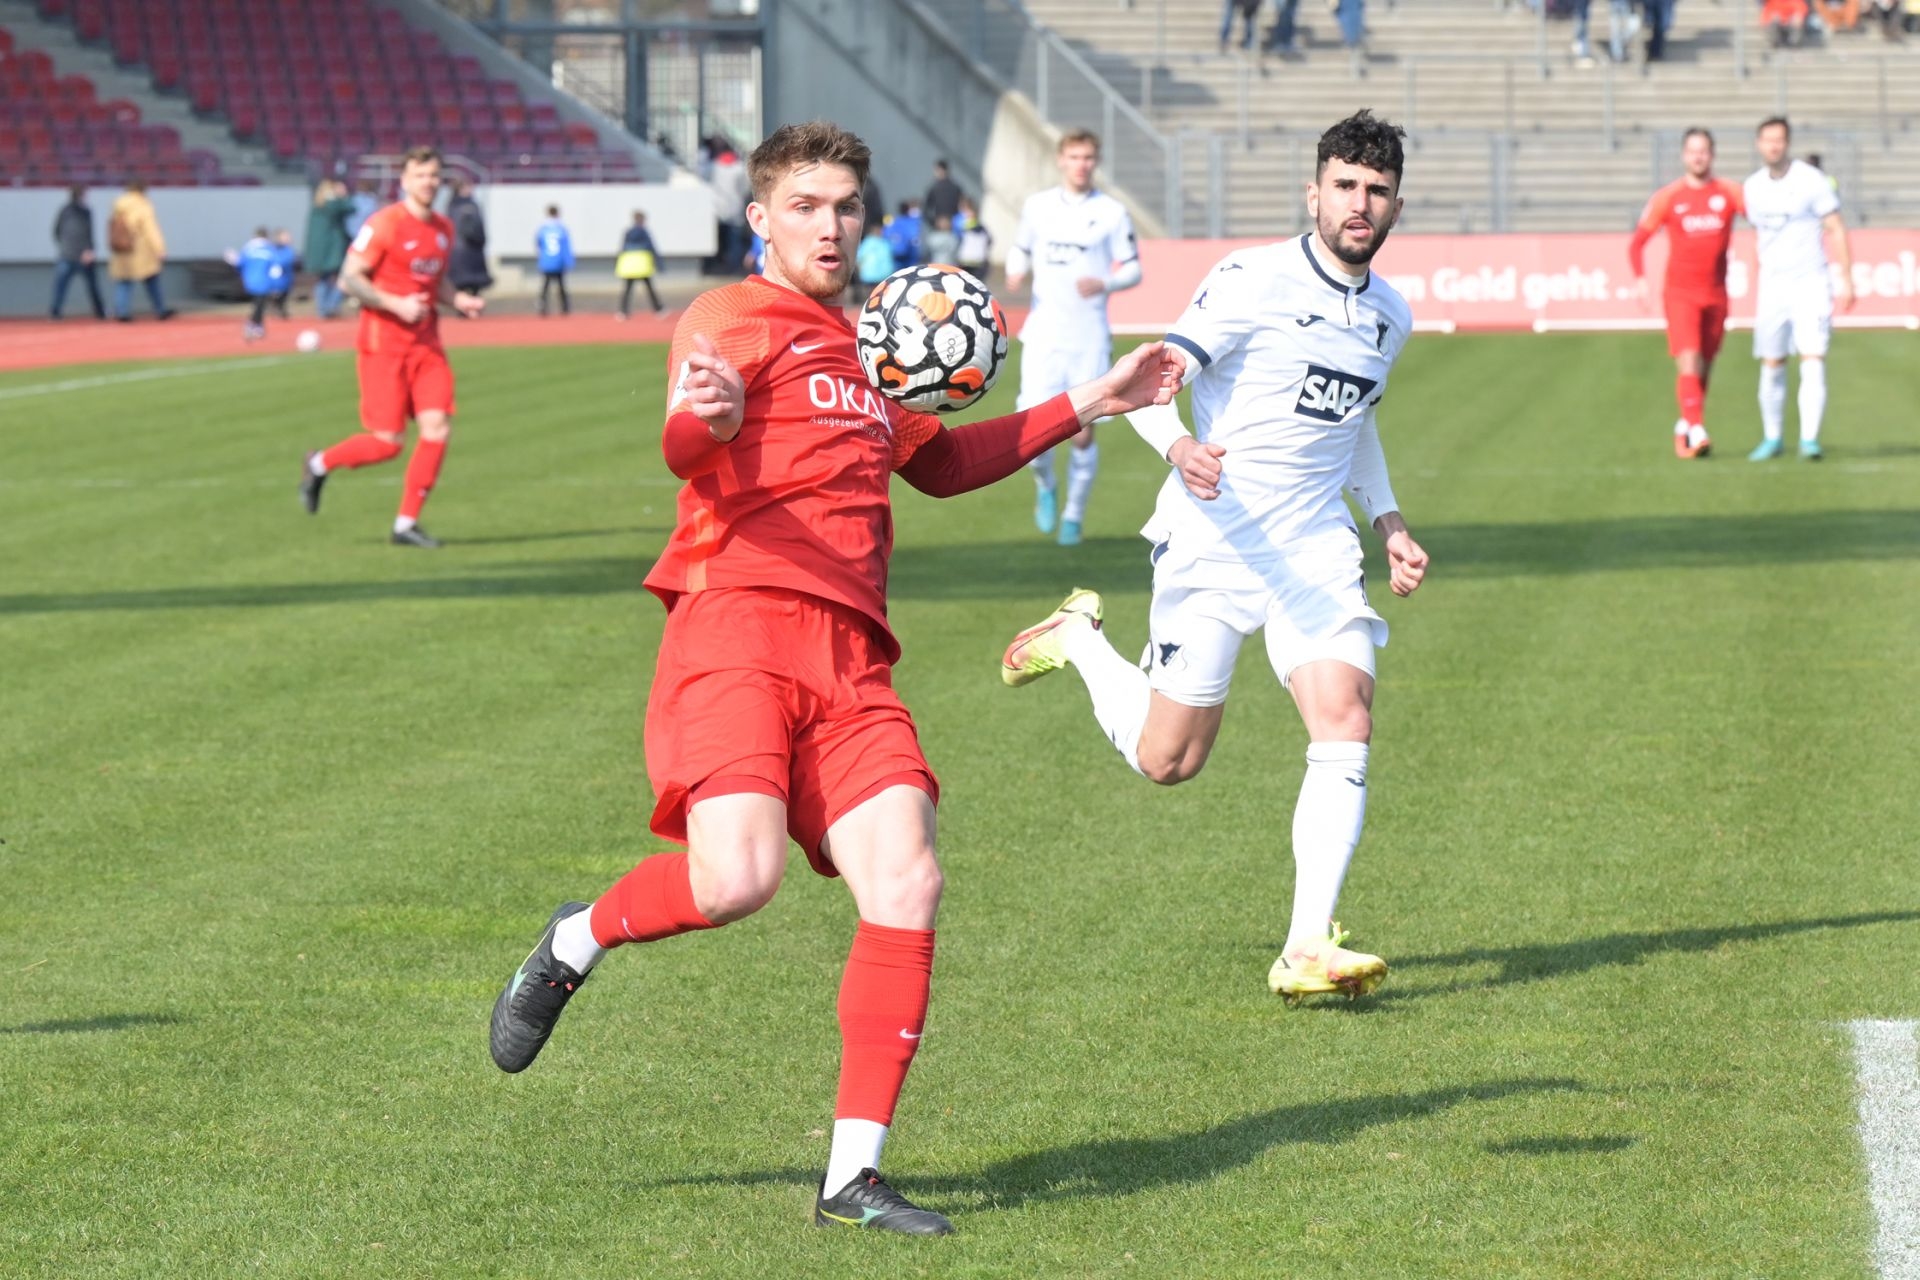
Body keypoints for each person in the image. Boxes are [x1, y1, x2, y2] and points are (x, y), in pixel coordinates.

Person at [485, 119, 1181, 1237]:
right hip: (738, 628)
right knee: (735, 880)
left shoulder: (873, 342)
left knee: (906, 881)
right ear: (761, 217)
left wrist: (1094, 399)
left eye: (847, 206)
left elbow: (944, 463)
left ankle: (851, 1175)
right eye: (806, 205)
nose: (831, 224)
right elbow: (686, 432)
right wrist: (700, 421)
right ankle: (578, 936)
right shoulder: (729, 319)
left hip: (854, 657)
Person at [999, 109, 1428, 1004]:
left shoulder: (1390, 315)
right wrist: (1176, 448)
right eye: (1345, 186)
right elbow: (1147, 383)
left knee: (1344, 718)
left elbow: (1355, 425)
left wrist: (1387, 523)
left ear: (1395, 206)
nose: (1360, 204)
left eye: (1376, 191)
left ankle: (1307, 943)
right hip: (1215, 542)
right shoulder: (1251, 279)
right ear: (1314, 192)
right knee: (1170, 762)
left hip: (1313, 551)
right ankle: (1081, 639)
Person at [298, 145, 485, 547]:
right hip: (384, 346)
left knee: (437, 428)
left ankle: (405, 524)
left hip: (427, 346)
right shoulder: (385, 223)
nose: (428, 182)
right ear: (404, 180)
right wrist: (394, 303)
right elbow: (351, 278)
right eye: (420, 175)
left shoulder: (442, 229)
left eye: (434, 175)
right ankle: (318, 464)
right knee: (386, 443)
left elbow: (438, 286)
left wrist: (459, 300)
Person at [1006, 128, 1141, 547]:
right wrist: (1014, 270)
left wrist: (1105, 282)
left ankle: (1073, 515)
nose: (1081, 164)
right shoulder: (1038, 207)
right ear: (1061, 160)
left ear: (1094, 162)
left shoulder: (1113, 213)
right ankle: (1045, 486)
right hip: (1044, 335)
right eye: (1074, 156)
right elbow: (1020, 248)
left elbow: (1134, 268)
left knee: (1082, 431)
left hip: (1088, 337)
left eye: (1088, 157)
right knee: (1033, 433)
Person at [1629, 128, 1744, 459]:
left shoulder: (1729, 193)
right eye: (1693, 151)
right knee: (1689, 357)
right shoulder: (1668, 197)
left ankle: (1685, 426)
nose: (1698, 156)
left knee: (1704, 366)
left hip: (1717, 293)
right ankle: (1697, 429)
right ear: (1683, 155)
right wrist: (1640, 279)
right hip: (1680, 293)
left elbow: (1761, 217)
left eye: (1704, 150)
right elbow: (1637, 243)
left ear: (1713, 154)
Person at [1744, 116, 1854, 461]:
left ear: (1787, 143)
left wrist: (1846, 277)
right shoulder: (1753, 187)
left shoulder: (1812, 181)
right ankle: (1772, 437)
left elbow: (1835, 227)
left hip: (1810, 283)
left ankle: (1809, 440)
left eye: (1779, 140)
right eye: (1767, 140)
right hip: (1773, 285)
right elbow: (1757, 236)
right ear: (1759, 144)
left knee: (1812, 356)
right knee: (1772, 361)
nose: (1773, 146)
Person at [107, 178, 174, 321]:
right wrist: (160, 248)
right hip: (140, 250)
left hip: (122, 249)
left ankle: (121, 311)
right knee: (151, 279)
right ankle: (160, 309)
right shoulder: (143, 206)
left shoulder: (118, 206)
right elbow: (151, 229)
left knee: (124, 281)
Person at [50, 185, 106, 321]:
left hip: (77, 254)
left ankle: (99, 311)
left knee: (90, 286)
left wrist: (88, 250)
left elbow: (57, 231)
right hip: (73, 254)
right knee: (62, 286)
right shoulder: (75, 211)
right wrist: (87, 249)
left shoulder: (77, 211)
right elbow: (58, 231)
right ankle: (56, 311)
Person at [304, 179, 354, 320]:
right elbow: (351, 207)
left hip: (320, 251)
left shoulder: (317, 205)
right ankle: (330, 306)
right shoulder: (332, 204)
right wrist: (343, 195)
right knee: (343, 277)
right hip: (331, 250)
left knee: (323, 279)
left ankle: (324, 309)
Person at [234, 226, 287, 341]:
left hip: (249, 280)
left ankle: (258, 326)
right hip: (264, 280)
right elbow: (276, 268)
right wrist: (277, 284)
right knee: (260, 304)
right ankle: (252, 324)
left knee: (259, 303)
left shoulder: (248, 248)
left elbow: (239, 264)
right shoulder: (269, 249)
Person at [446, 178, 492, 298]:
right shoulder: (469, 206)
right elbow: (474, 230)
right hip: (469, 251)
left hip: (457, 251)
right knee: (470, 284)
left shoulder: (451, 205)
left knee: (462, 284)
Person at [615, 209, 663, 319]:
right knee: (649, 288)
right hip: (642, 266)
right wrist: (659, 264)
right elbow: (652, 248)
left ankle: (623, 311)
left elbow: (622, 248)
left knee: (627, 289)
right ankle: (658, 309)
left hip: (630, 266)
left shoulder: (628, 232)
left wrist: (617, 263)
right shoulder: (644, 232)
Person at [535, 204, 574, 317]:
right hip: (558, 262)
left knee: (545, 286)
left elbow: (539, 245)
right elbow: (566, 247)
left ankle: (542, 306)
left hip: (546, 261)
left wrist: (540, 259)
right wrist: (569, 261)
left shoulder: (543, 229)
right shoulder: (561, 229)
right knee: (561, 285)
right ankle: (565, 307)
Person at [854, 216, 896, 305]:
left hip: (883, 274)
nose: (880, 232)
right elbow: (859, 257)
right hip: (871, 274)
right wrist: (860, 269)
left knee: (882, 294)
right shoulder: (868, 242)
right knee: (870, 293)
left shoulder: (885, 242)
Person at [955, 195, 991, 277]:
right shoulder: (982, 228)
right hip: (978, 259)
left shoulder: (962, 225)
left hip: (965, 259)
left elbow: (958, 238)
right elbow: (990, 240)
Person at [923, 158, 963, 226]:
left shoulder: (934, 188)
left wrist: (934, 222)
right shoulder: (956, 187)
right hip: (954, 224)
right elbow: (962, 207)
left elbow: (926, 209)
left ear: (940, 170)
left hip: (940, 224)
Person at [883, 199, 922, 268]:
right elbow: (913, 237)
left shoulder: (893, 222)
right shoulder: (912, 222)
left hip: (895, 257)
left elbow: (886, 235)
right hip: (909, 258)